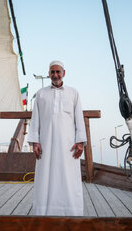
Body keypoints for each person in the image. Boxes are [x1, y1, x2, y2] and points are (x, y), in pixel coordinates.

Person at [27, 60, 87, 216]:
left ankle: (71, 210)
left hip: (69, 144)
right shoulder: (41, 94)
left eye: (58, 72)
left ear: (64, 73)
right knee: (46, 175)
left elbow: (79, 119)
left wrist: (80, 142)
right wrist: (35, 142)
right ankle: (44, 210)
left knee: (69, 176)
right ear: (49, 74)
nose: (55, 75)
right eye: (52, 72)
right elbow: (35, 120)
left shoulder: (73, 93)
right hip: (46, 143)